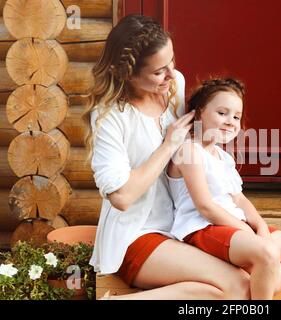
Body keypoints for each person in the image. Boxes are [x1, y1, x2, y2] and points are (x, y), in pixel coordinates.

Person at [81, 14, 251, 300]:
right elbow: (121, 197)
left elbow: (196, 143)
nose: (172, 74)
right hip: (137, 234)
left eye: (172, 61)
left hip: (181, 225)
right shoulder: (110, 117)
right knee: (237, 287)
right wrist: (167, 146)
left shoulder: (174, 85)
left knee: (241, 282)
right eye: (159, 71)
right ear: (128, 73)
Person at [166, 78, 281, 300]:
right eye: (222, 113)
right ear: (199, 114)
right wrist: (247, 232)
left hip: (234, 224)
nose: (230, 121)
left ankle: (252, 294)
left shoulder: (223, 157)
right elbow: (205, 206)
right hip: (202, 227)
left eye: (236, 116)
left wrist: (260, 226)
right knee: (268, 255)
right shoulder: (189, 150)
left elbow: (239, 199)